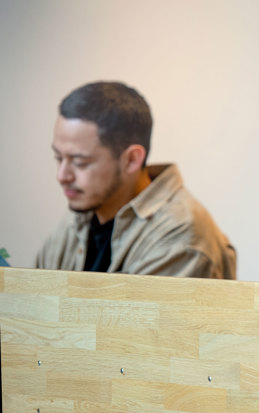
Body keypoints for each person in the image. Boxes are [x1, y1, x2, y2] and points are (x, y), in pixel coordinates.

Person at [37, 81, 236, 279]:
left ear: (132, 160)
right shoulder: (81, 212)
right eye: (58, 158)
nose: (62, 176)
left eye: (80, 162)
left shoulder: (181, 236)